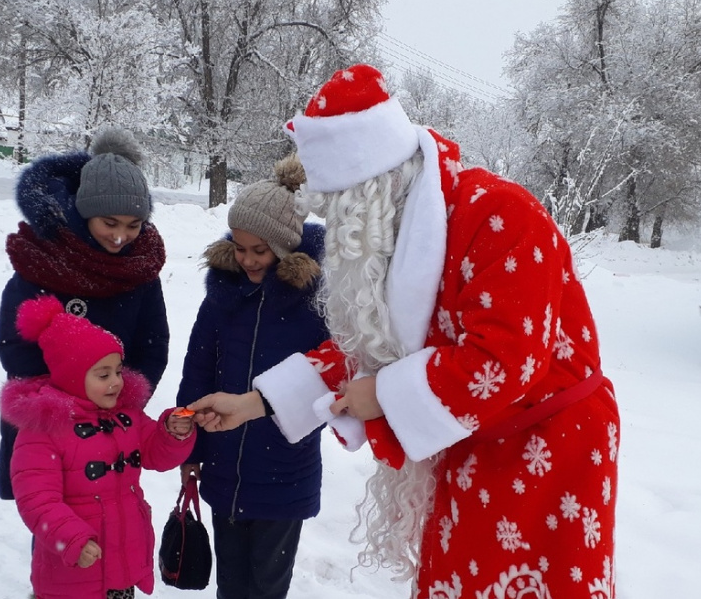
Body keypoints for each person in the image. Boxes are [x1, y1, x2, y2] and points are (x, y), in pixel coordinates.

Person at [189, 64, 620, 598]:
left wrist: (384, 395)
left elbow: (506, 360)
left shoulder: (501, 215)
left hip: (550, 450)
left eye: (341, 209)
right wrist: (253, 403)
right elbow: (367, 348)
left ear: (372, 189)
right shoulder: (400, 232)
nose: (337, 228)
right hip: (469, 440)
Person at [175, 155, 329, 599]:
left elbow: (328, 378)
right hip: (224, 464)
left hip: (284, 471)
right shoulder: (224, 295)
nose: (246, 260)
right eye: (239, 248)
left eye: (259, 250)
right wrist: (189, 447)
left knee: (267, 586)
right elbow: (198, 369)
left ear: (285, 246)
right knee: (231, 583)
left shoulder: (315, 303)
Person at [0, 128, 169, 501]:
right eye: (110, 223)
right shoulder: (46, 259)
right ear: (84, 212)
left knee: (113, 510)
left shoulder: (140, 270)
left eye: (133, 225)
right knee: (52, 512)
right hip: (49, 426)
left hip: (111, 419)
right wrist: (66, 405)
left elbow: (153, 344)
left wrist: (121, 399)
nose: (121, 236)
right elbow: (15, 344)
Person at [0, 294, 194, 599]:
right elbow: (37, 500)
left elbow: (156, 453)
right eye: (103, 375)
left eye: (118, 371)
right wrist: (71, 538)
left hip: (121, 564)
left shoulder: (125, 416)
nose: (116, 381)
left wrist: (172, 431)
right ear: (73, 377)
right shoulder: (43, 429)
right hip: (74, 568)